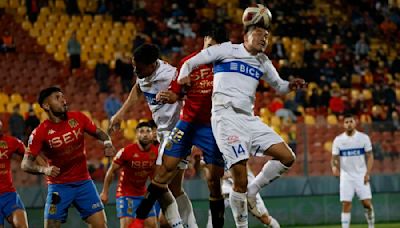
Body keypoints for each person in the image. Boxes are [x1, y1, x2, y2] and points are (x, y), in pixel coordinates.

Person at [177, 5, 306, 227]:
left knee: (287, 157)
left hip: (249, 118)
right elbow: (191, 61)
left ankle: (253, 193)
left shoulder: (264, 62)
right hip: (225, 118)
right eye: (259, 33)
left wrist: (290, 85)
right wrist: (182, 76)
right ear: (246, 34)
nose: (264, 38)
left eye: (267, 35)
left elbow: (279, 86)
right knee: (240, 180)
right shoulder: (226, 50)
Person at [132, 27, 228, 228]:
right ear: (204, 42)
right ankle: (140, 217)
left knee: (214, 181)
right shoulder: (188, 64)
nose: (209, 52)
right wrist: (171, 96)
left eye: (214, 48)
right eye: (208, 46)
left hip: (211, 126)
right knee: (164, 172)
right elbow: (176, 92)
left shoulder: (228, 67)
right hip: (185, 124)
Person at [109, 44, 194, 228]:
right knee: (173, 188)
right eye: (134, 66)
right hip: (164, 134)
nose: (135, 70)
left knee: (160, 184)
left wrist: (176, 96)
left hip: (177, 133)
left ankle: (177, 225)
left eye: (138, 67)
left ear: (152, 64)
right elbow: (138, 88)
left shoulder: (171, 75)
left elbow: (192, 93)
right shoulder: (144, 74)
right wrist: (120, 114)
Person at [21, 87, 116, 228]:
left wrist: (108, 143)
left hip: (84, 183)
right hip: (58, 186)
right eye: (57, 98)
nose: (64, 101)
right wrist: (44, 170)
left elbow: (99, 133)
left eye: (63, 97)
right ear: (46, 105)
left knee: (101, 226)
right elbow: (25, 164)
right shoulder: (39, 133)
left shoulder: (78, 118)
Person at [100, 122, 159, 228]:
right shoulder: (126, 152)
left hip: (143, 194)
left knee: (152, 225)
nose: (145, 134)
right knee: (127, 226)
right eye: (141, 131)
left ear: (152, 135)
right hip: (126, 194)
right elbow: (111, 170)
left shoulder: (156, 153)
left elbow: (154, 175)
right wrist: (105, 192)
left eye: (148, 131)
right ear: (136, 134)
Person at [331, 113, 375, 228]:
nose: (349, 124)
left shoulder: (363, 138)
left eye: (351, 121)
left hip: (361, 175)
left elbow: (370, 156)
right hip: (346, 177)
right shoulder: (338, 140)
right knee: (346, 204)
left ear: (355, 123)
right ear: (343, 124)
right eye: (346, 122)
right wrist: (334, 167)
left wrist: (367, 173)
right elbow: (334, 159)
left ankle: (371, 225)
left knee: (366, 204)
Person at [204, 164, 280, 228]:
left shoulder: (237, 149)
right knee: (215, 210)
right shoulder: (213, 150)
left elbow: (243, 167)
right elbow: (208, 170)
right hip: (227, 186)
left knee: (264, 218)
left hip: (247, 185)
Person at [0, 120, 29, 228]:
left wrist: (46, 169)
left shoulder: (10, 142)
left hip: (9, 194)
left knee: (22, 226)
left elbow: (30, 154)